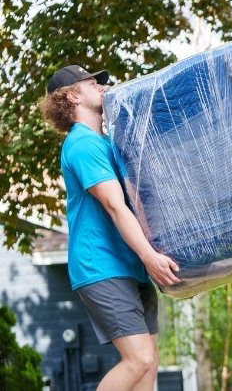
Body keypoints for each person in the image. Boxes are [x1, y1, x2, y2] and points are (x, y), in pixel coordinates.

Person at [39, 65, 181, 391]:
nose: (103, 86)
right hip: (101, 266)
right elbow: (115, 206)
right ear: (72, 95)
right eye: (92, 82)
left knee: (148, 367)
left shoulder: (105, 143)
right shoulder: (82, 145)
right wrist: (150, 256)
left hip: (128, 263)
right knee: (139, 360)